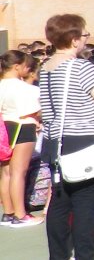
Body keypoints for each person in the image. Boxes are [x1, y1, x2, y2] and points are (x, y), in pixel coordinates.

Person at [38, 14, 94, 260]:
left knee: (59, 204)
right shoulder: (81, 67)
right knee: (85, 207)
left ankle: (59, 255)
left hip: (55, 141)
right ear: (74, 40)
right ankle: (85, 255)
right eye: (84, 35)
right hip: (81, 140)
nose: (86, 40)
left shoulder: (46, 67)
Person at [0, 50, 41, 228]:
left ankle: (8, 213)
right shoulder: (27, 89)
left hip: (4, 126)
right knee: (19, 172)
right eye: (25, 66)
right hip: (23, 126)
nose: (27, 69)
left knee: (6, 173)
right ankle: (20, 214)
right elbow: (32, 111)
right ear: (17, 67)